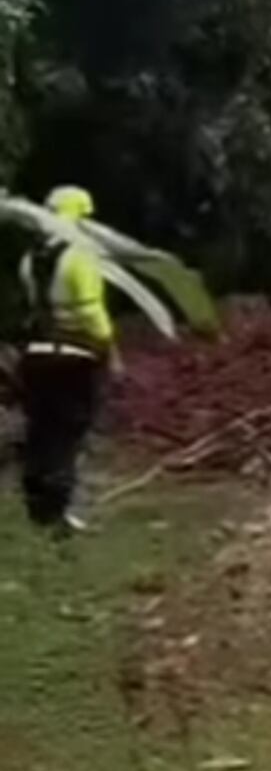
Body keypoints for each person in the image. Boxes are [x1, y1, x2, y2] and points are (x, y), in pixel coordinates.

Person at [18, 186, 115, 534]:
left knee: (41, 431)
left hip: (37, 354)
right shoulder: (80, 256)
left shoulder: (32, 258)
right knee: (69, 432)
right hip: (75, 356)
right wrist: (107, 343)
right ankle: (61, 512)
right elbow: (90, 311)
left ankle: (38, 508)